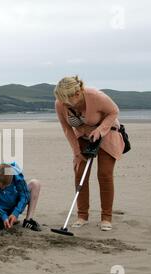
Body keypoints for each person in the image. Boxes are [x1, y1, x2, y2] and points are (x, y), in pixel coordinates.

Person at [54, 76, 125, 231]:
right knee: (80, 173)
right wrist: (76, 152)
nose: (65, 102)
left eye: (68, 98)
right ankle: (82, 216)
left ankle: (106, 218)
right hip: (83, 135)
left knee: (104, 174)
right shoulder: (61, 103)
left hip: (107, 132)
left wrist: (100, 130)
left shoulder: (95, 96)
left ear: (77, 92)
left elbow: (114, 111)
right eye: (62, 99)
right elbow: (67, 129)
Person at [0, 162, 42, 233]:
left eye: (6, 186)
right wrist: (3, 215)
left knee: (35, 183)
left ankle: (28, 220)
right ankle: (5, 221)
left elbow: (24, 195)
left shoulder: (16, 175)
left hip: (14, 205)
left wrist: (16, 212)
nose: (3, 188)